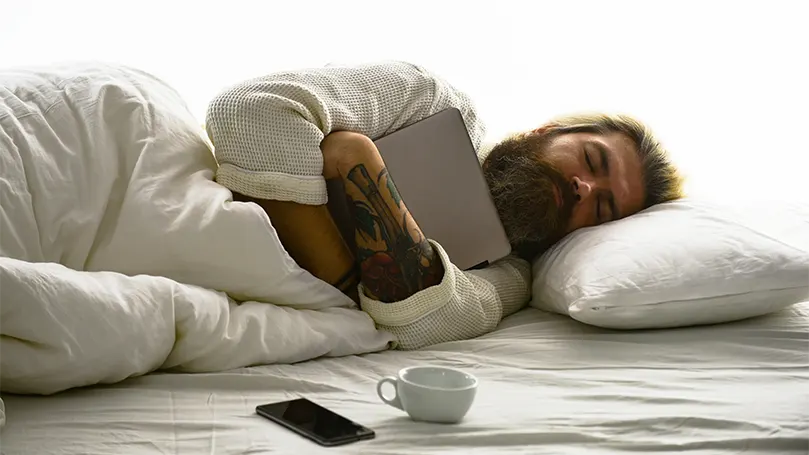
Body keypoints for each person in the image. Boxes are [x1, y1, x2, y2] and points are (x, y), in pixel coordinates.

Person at [205, 61, 685, 350]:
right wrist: (354, 288)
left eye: (602, 208)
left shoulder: (512, 274)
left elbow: (426, 325)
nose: (583, 187)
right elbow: (248, 113)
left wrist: (358, 159)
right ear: (547, 131)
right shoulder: (429, 101)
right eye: (590, 159)